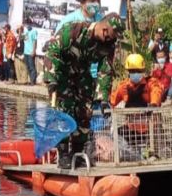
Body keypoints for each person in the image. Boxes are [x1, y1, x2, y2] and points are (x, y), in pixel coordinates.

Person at [46, 14, 124, 169]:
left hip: (83, 75)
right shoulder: (75, 30)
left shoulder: (109, 44)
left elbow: (106, 70)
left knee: (84, 112)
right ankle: (63, 154)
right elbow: (52, 51)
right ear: (104, 30)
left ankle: (77, 152)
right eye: (113, 35)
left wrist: (103, 97)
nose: (113, 39)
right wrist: (51, 79)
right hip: (62, 73)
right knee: (63, 111)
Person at [110, 53, 165, 160]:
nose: (135, 73)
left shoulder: (151, 83)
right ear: (128, 72)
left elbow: (156, 92)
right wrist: (105, 104)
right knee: (116, 134)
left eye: (138, 71)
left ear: (143, 71)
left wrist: (153, 104)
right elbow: (113, 99)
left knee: (154, 151)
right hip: (131, 128)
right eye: (132, 71)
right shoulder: (124, 86)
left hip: (149, 129)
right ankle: (134, 157)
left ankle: (147, 155)